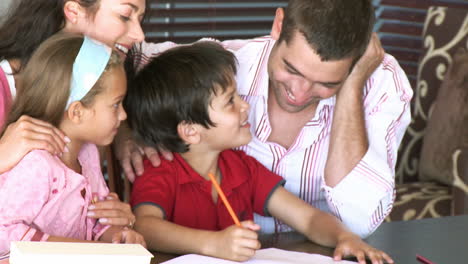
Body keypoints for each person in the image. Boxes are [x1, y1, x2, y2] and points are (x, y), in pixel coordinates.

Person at [121, 0, 413, 238]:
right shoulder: (218, 68)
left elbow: (360, 223)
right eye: (292, 69)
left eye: (327, 83)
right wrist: (122, 128)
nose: (299, 94)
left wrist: (350, 87)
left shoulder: (381, 84)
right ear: (279, 25)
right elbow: (114, 57)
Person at [125, 41, 393, 264]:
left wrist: (343, 238)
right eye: (230, 101)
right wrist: (212, 243)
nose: (245, 106)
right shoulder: (159, 170)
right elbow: (145, 226)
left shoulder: (243, 168)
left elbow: (308, 218)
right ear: (191, 131)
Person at [0, 33, 146, 260]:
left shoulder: (87, 156)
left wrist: (119, 237)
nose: (123, 115)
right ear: (77, 112)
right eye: (116, 105)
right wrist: (87, 250)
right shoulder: (37, 164)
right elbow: (4, 232)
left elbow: (96, 223)